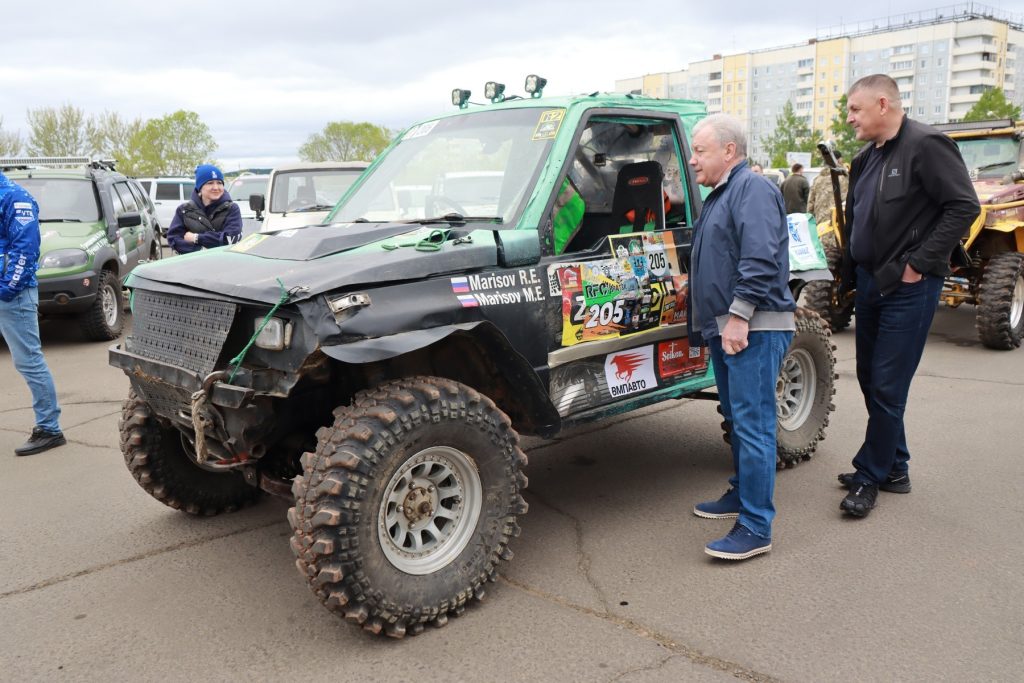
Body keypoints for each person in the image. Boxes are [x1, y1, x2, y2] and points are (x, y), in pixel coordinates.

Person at [837, 74, 979, 517]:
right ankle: (895, 466)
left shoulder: (927, 145)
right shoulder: (864, 158)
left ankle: (870, 475)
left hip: (909, 286)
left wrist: (918, 264)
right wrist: (847, 278)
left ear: (883, 104)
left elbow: (964, 207)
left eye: (856, 109)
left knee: (887, 384)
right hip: (870, 281)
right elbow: (855, 217)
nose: (849, 118)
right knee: (868, 377)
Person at [687, 114, 796, 560]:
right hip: (728, 325)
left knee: (753, 423)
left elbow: (760, 257)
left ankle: (755, 525)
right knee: (737, 418)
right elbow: (724, 255)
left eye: (700, 151)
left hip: (751, 326)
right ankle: (741, 492)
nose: (692, 160)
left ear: (729, 151)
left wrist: (739, 315)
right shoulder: (722, 194)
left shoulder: (752, 189)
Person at [0, 170, 66, 456]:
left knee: (28, 361)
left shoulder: (15, 198)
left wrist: (5, 288)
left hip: (12, 294)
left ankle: (49, 429)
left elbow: (25, 250)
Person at [167, 164, 242, 254]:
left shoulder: (232, 208)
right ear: (200, 188)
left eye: (219, 183)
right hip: (192, 265)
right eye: (210, 183)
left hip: (224, 264)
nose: (216, 187)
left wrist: (196, 238)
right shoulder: (184, 210)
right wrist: (200, 250)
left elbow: (230, 239)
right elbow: (174, 239)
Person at [806, 151, 849, 227]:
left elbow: (810, 203)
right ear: (838, 160)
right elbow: (847, 200)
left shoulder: (817, 179)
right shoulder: (843, 178)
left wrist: (810, 221)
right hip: (837, 223)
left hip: (820, 222)